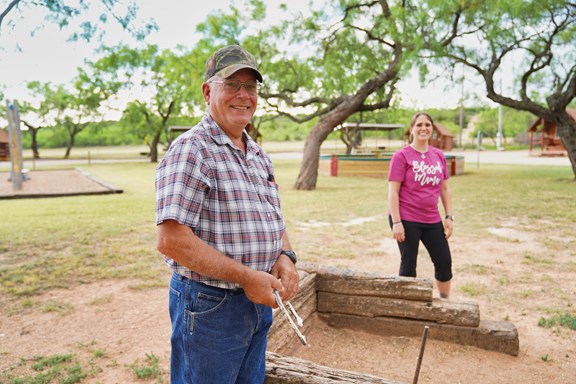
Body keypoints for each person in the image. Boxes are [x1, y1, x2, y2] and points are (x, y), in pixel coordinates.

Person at [155, 45, 300, 384]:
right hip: (210, 306)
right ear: (208, 91)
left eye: (251, 87)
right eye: (232, 84)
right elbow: (171, 240)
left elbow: (273, 219)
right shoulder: (192, 150)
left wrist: (286, 255)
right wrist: (247, 277)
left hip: (259, 299)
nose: (243, 95)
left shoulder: (258, 155)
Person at [387, 111, 454, 299]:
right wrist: (397, 222)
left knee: (443, 261)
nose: (423, 128)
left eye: (427, 125)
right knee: (409, 264)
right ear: (411, 130)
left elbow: (445, 189)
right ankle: (408, 307)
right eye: (419, 125)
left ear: (432, 129)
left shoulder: (438, 155)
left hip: (431, 218)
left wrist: (448, 217)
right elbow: (393, 191)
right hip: (406, 218)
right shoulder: (402, 156)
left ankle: (445, 302)